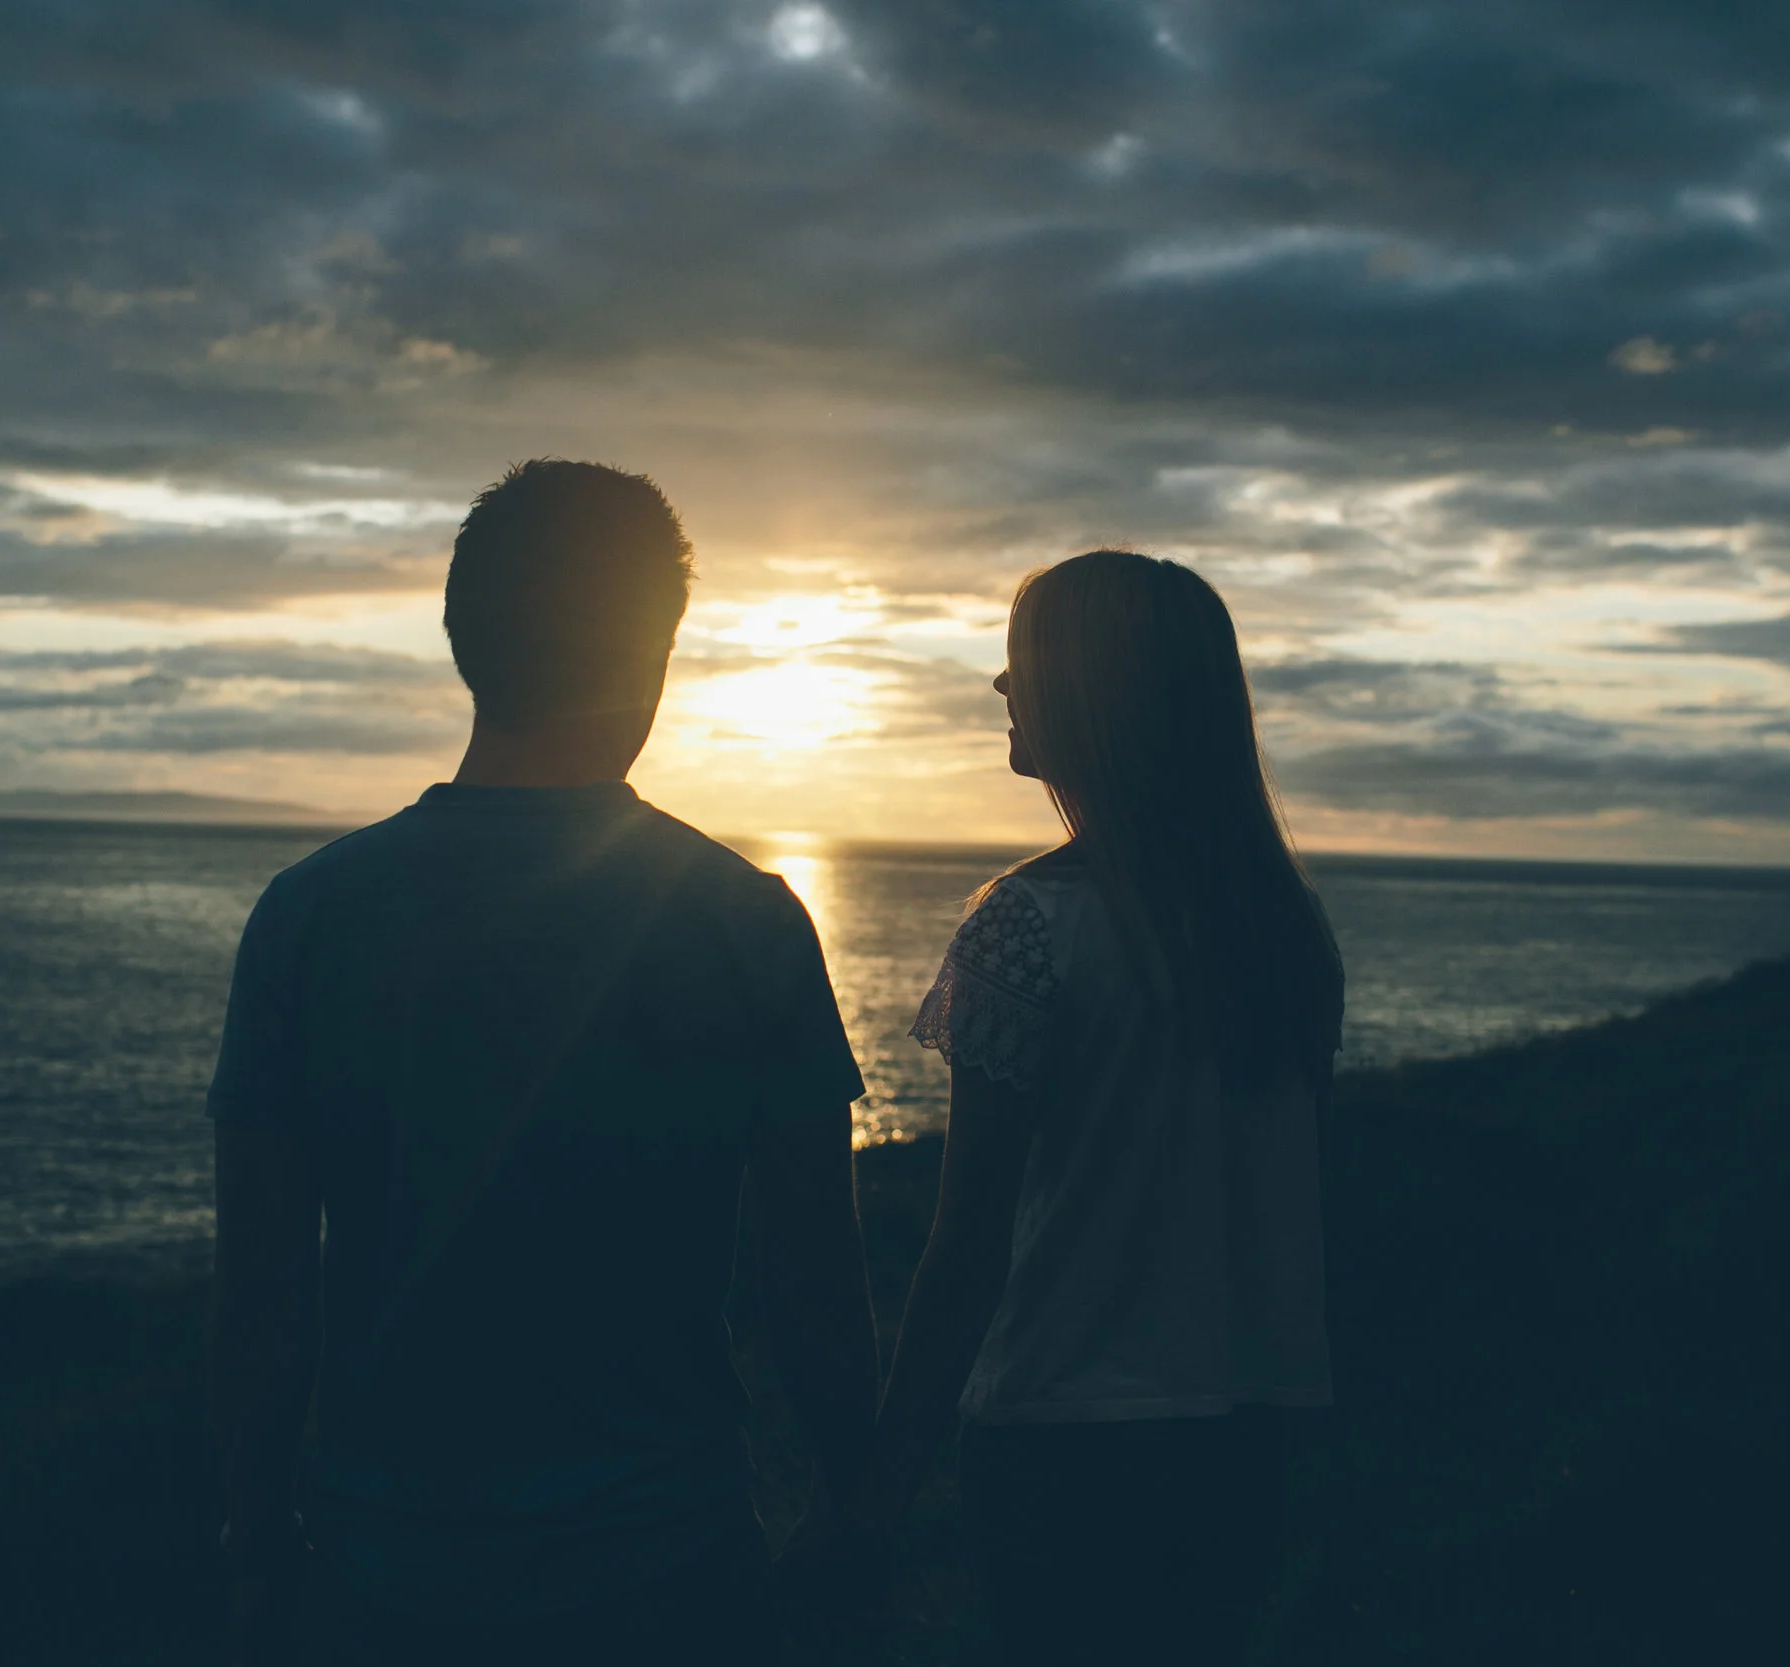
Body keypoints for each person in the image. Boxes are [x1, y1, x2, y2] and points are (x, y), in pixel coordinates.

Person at [206, 460, 880, 1666]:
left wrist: (256, 1546)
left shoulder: (306, 916)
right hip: (671, 1569)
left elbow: (264, 1296)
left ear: (465, 638)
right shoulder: (747, 922)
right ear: (656, 651)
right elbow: (812, 1282)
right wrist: (849, 1502)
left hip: (382, 1574)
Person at [835, 549, 1344, 1664]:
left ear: (1099, 690)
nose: (1001, 687)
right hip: (1253, 1435)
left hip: (1064, 1434)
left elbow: (964, 1249)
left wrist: (875, 1501)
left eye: (1023, 662)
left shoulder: (1025, 924)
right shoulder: (1281, 926)